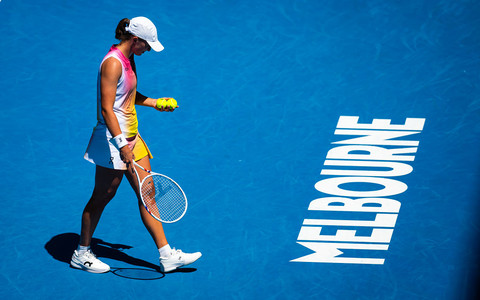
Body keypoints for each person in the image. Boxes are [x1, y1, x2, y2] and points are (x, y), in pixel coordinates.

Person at [70, 16, 201, 274]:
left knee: (147, 193)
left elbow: (127, 96)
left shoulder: (130, 59)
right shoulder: (112, 64)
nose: (149, 50)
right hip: (111, 140)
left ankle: (167, 255)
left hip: (133, 137)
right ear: (135, 40)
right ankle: (81, 253)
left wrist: (155, 102)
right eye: (147, 45)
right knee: (103, 196)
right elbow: (107, 109)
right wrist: (121, 145)